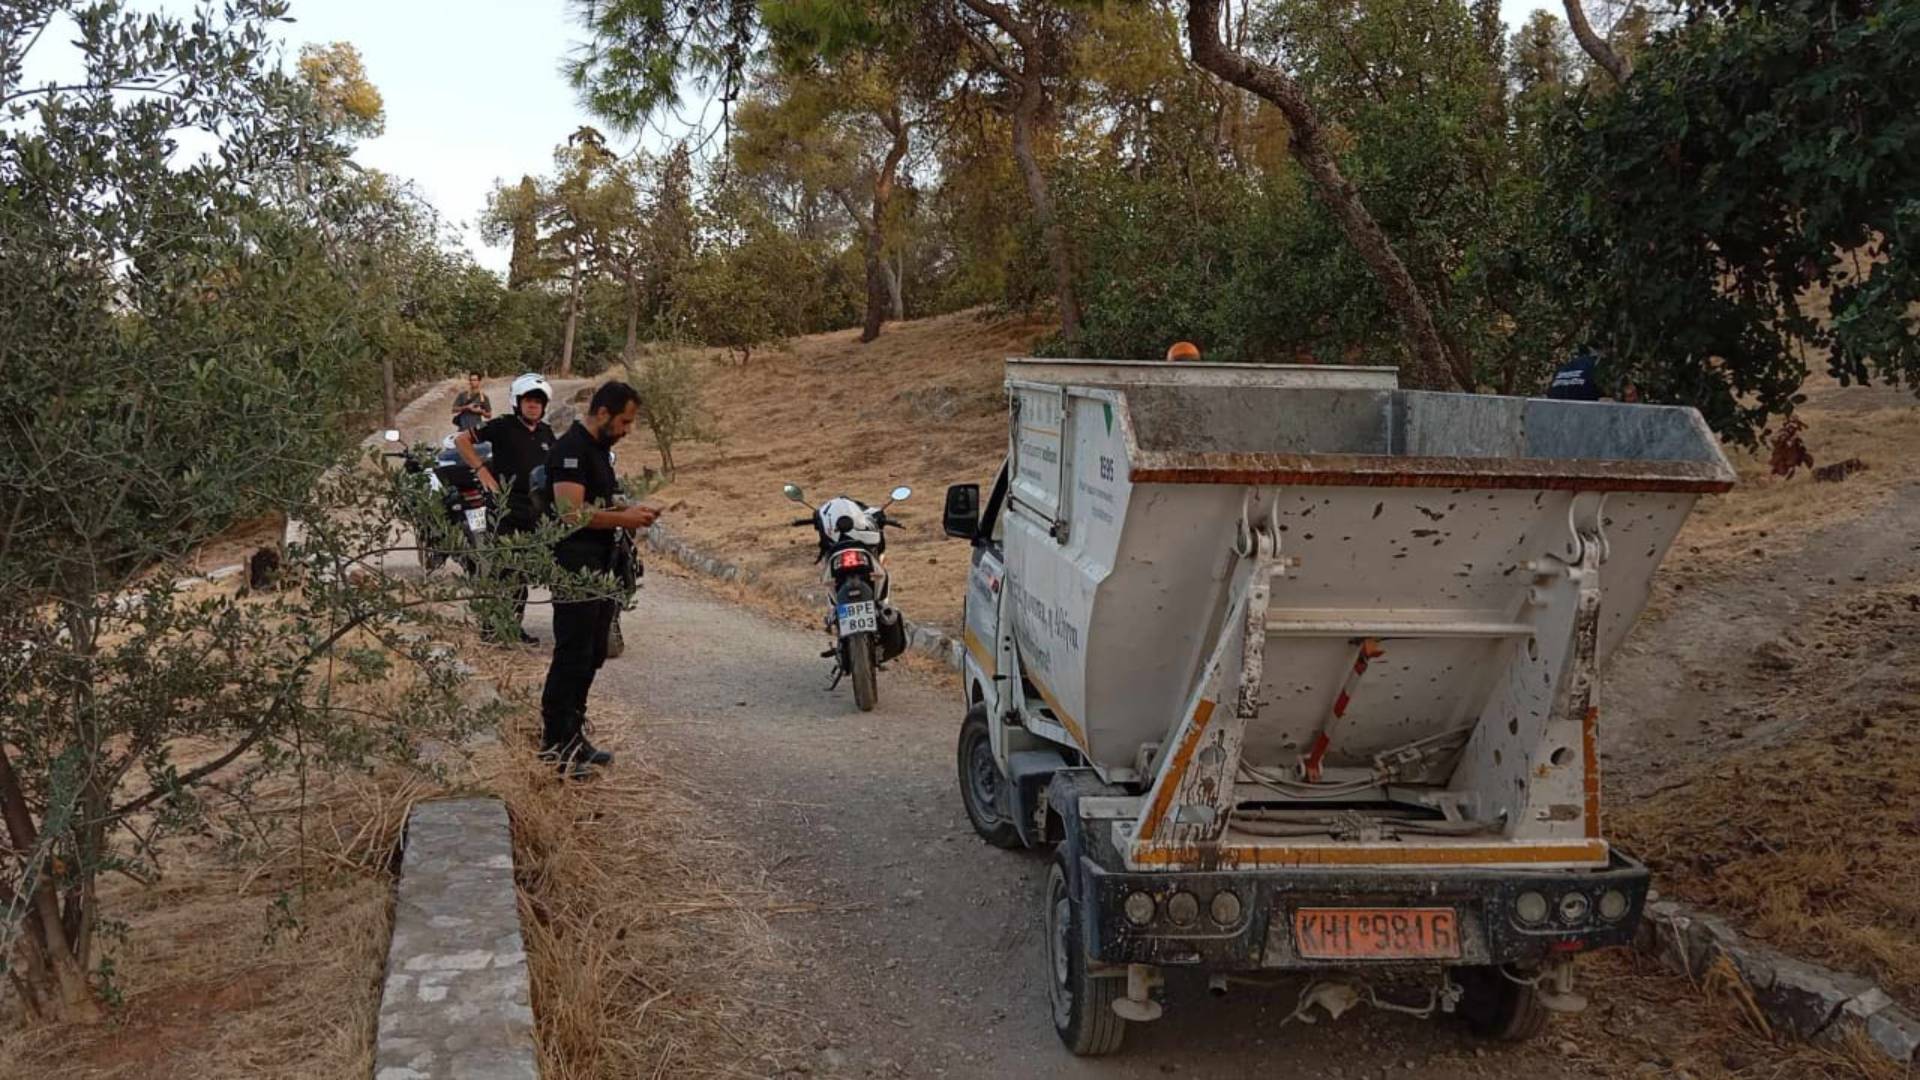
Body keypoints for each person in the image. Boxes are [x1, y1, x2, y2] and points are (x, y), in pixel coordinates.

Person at [540, 380, 658, 771]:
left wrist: (627, 510)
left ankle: (574, 736)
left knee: (592, 653)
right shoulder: (570, 450)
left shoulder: (599, 453)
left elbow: (596, 503)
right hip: (575, 568)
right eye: (624, 421)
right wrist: (622, 518)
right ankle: (555, 744)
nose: (627, 430)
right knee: (571, 655)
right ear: (603, 413)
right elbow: (570, 514)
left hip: (602, 567)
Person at [456, 372, 557, 645]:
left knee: (522, 571)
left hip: (535, 511)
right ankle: (491, 628)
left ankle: (512, 627)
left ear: (544, 405)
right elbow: (461, 440)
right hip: (505, 509)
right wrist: (482, 473)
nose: (533, 405)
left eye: (538, 401)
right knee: (504, 568)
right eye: (528, 400)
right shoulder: (502, 426)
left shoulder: (548, 434)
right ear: (518, 402)